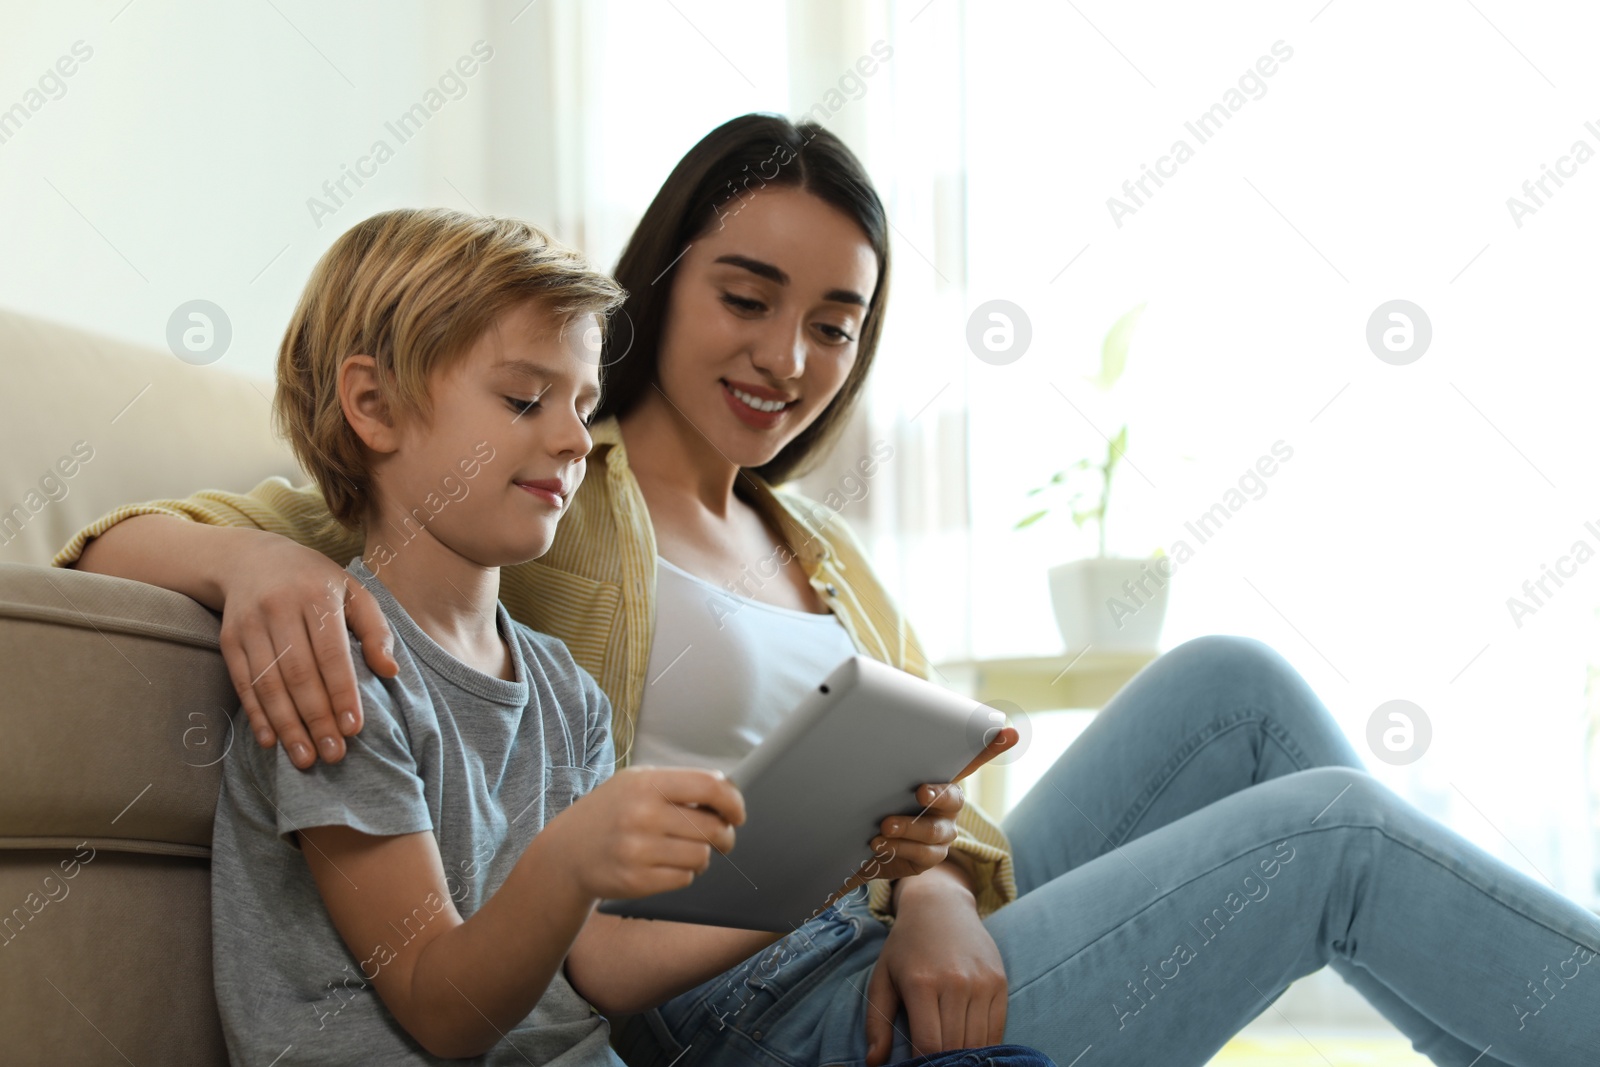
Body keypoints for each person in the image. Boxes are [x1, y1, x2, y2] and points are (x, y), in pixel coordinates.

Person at [63, 117, 1600, 1066]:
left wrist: (926, 892)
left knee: (1238, 689)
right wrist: (260, 564)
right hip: (735, 1005)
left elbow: (937, 820)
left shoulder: (832, 563)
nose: (787, 359)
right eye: (747, 298)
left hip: (877, 944)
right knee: (1326, 836)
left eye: (837, 325)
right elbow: (171, 525)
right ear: (664, 287)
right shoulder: (545, 484)